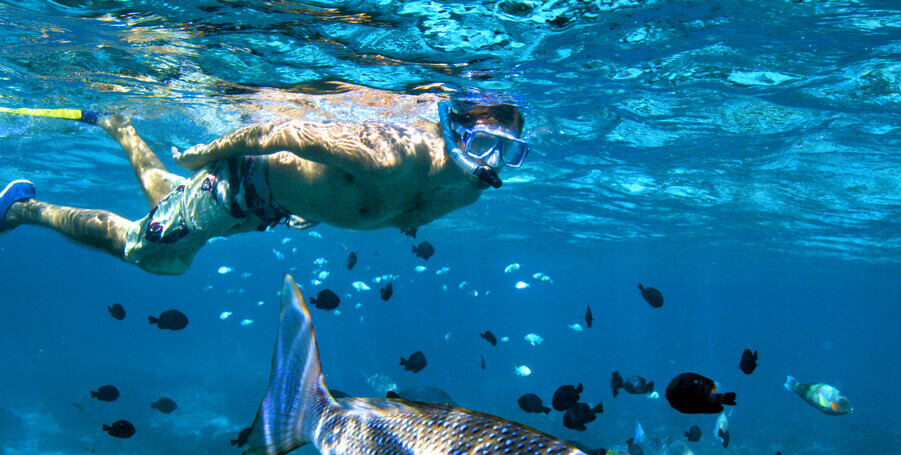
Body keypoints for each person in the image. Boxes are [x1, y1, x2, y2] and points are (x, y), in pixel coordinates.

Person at [0, 95, 527, 275]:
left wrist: (315, 206)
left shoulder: (470, 188)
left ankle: (121, 126)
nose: (491, 162)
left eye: (508, 152)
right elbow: (281, 132)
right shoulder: (391, 153)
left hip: (269, 205)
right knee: (154, 253)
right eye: (484, 143)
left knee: (167, 204)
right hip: (241, 184)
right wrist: (207, 155)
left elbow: (374, 207)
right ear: (454, 126)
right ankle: (21, 209)